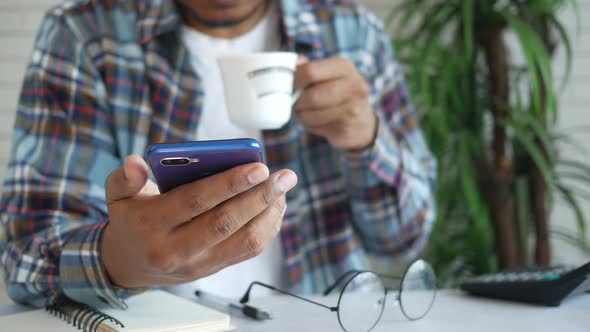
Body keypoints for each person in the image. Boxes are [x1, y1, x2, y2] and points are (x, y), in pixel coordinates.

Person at [0, 0, 436, 309]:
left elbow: (404, 238)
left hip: (326, 319)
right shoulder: (86, 34)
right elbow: (24, 263)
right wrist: (116, 261)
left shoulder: (353, 35)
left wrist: (367, 140)